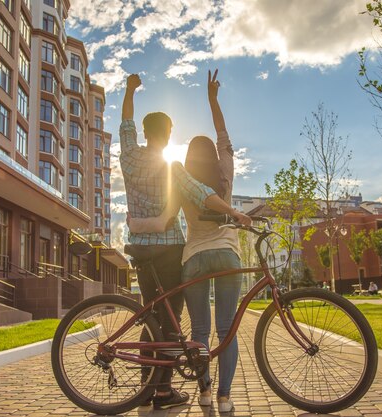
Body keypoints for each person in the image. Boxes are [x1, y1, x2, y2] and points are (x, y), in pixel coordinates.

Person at [120, 73, 250, 410]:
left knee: (156, 318)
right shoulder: (184, 171)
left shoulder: (130, 158)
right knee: (197, 325)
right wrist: (234, 213)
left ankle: (151, 392)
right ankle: (208, 395)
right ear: (169, 135)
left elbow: (125, 125)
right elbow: (201, 192)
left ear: (146, 134)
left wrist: (129, 91)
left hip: (153, 250)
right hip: (178, 251)